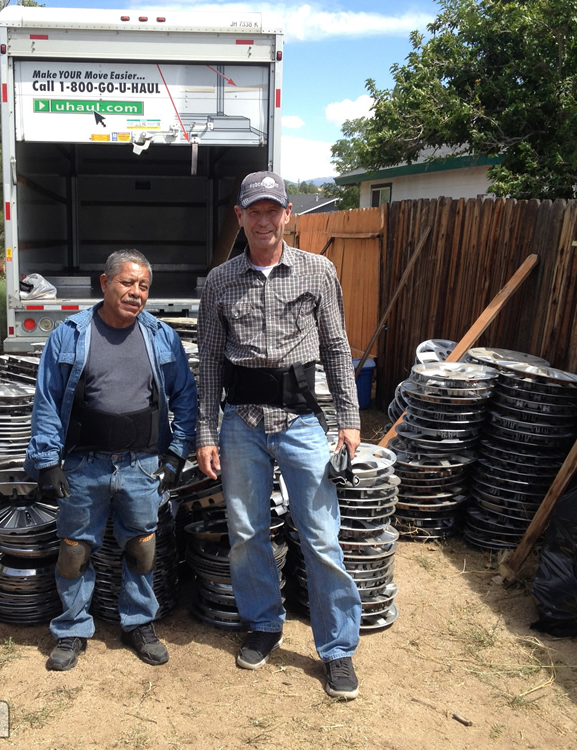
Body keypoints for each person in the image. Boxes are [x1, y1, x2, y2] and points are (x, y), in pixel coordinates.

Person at [195, 171, 363, 700]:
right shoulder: (219, 281)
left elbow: (337, 347)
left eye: (273, 210)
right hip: (241, 424)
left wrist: (350, 420)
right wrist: (206, 431)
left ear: (288, 214)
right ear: (240, 217)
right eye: (253, 211)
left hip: (302, 422)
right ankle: (265, 623)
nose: (263, 220)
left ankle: (336, 648)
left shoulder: (318, 271)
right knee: (247, 535)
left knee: (321, 536)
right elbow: (209, 367)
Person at [25, 249, 197, 672]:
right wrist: (48, 461)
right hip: (84, 466)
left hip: (141, 466)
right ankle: (70, 630)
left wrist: (176, 455)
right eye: (126, 283)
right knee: (74, 552)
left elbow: (186, 397)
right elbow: (47, 401)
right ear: (105, 284)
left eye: (143, 286)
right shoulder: (70, 335)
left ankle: (138, 624)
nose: (135, 293)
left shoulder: (161, 337)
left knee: (142, 550)